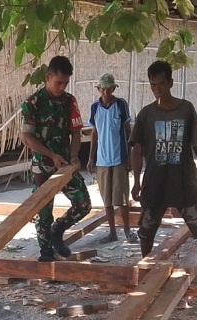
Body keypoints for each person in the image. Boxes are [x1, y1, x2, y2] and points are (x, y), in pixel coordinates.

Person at [129, 61, 197, 282]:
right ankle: (147, 268)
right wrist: (136, 181)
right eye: (153, 85)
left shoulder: (186, 109)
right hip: (155, 181)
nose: (157, 89)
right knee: (146, 228)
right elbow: (136, 150)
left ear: (170, 83)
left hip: (183, 180)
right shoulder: (146, 115)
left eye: (161, 84)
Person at [21, 55, 92, 261]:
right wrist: (51, 155)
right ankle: (46, 253)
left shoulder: (70, 101)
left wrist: (74, 156)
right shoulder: (32, 103)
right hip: (43, 165)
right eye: (58, 82)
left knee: (83, 204)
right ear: (48, 77)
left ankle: (57, 230)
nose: (62, 87)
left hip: (66, 164)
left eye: (65, 83)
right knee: (43, 210)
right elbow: (26, 137)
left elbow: (76, 132)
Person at [86, 73, 138, 244]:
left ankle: (128, 231)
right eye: (103, 89)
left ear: (114, 89)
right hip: (102, 160)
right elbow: (95, 133)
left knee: (122, 198)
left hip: (119, 158)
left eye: (109, 89)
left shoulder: (121, 105)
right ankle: (112, 232)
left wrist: (130, 156)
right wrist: (91, 158)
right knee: (106, 200)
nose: (106, 92)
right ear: (99, 90)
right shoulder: (95, 107)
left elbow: (127, 130)